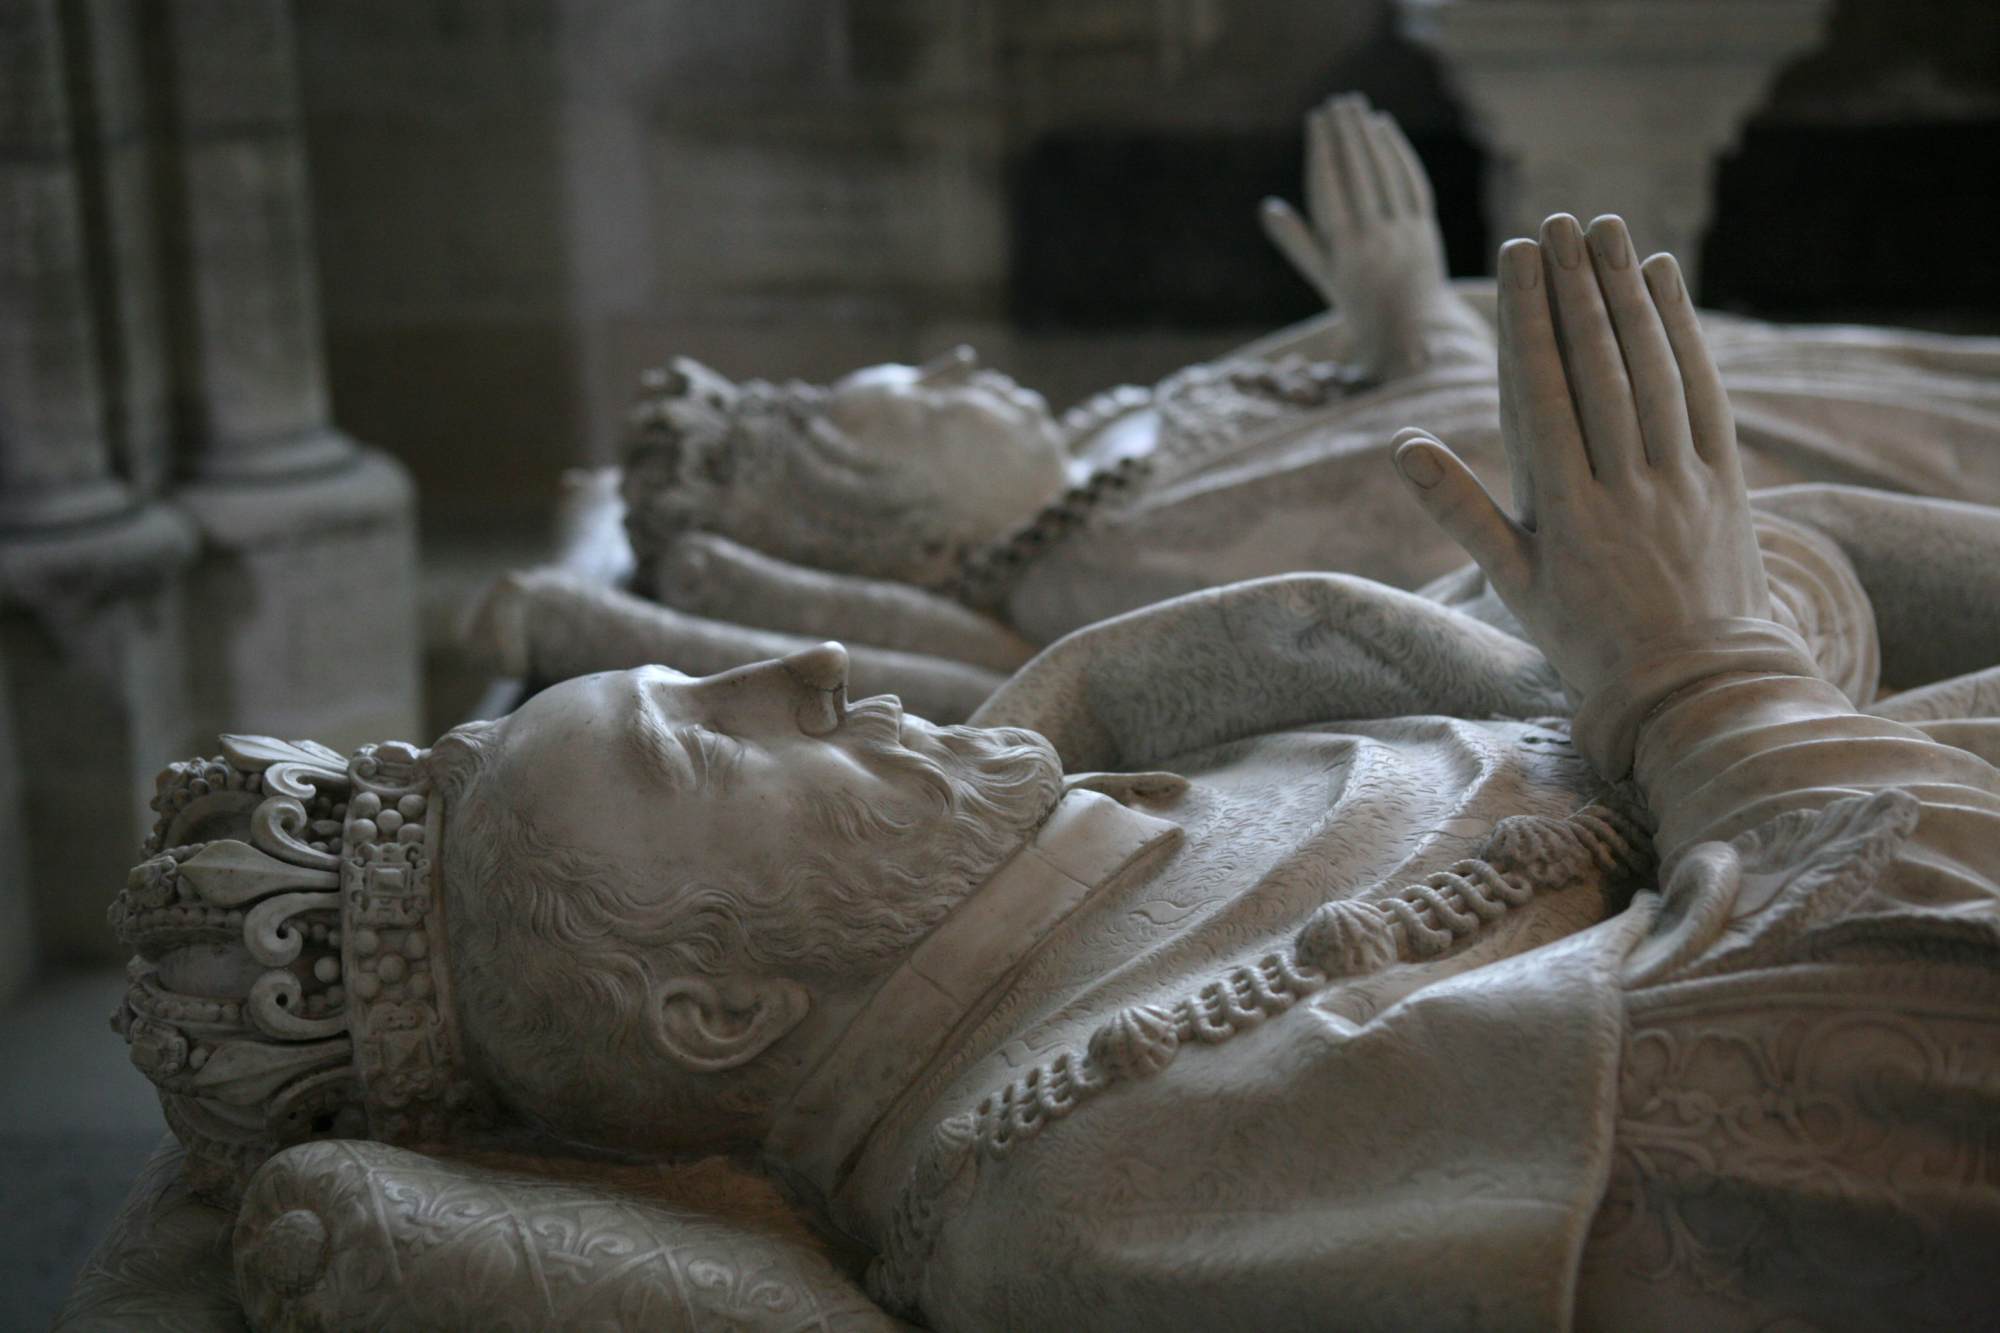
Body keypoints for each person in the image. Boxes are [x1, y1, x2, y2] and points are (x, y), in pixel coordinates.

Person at [112, 216, 2000, 1330]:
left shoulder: (1090, 856)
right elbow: (1895, 1067)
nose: (812, 663)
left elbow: (1596, 661)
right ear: (717, 1004)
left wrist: (1686, 617)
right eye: (709, 736)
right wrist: (1692, 667)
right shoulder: (1118, 1173)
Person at [468, 97, 2000, 720]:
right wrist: (1405, 315)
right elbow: (1516, 497)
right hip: (1774, 490)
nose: (956, 371)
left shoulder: (1125, 435)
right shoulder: (1104, 555)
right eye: (911, 402)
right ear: (909, 525)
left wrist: (1370, 316)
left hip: (1792, 398)